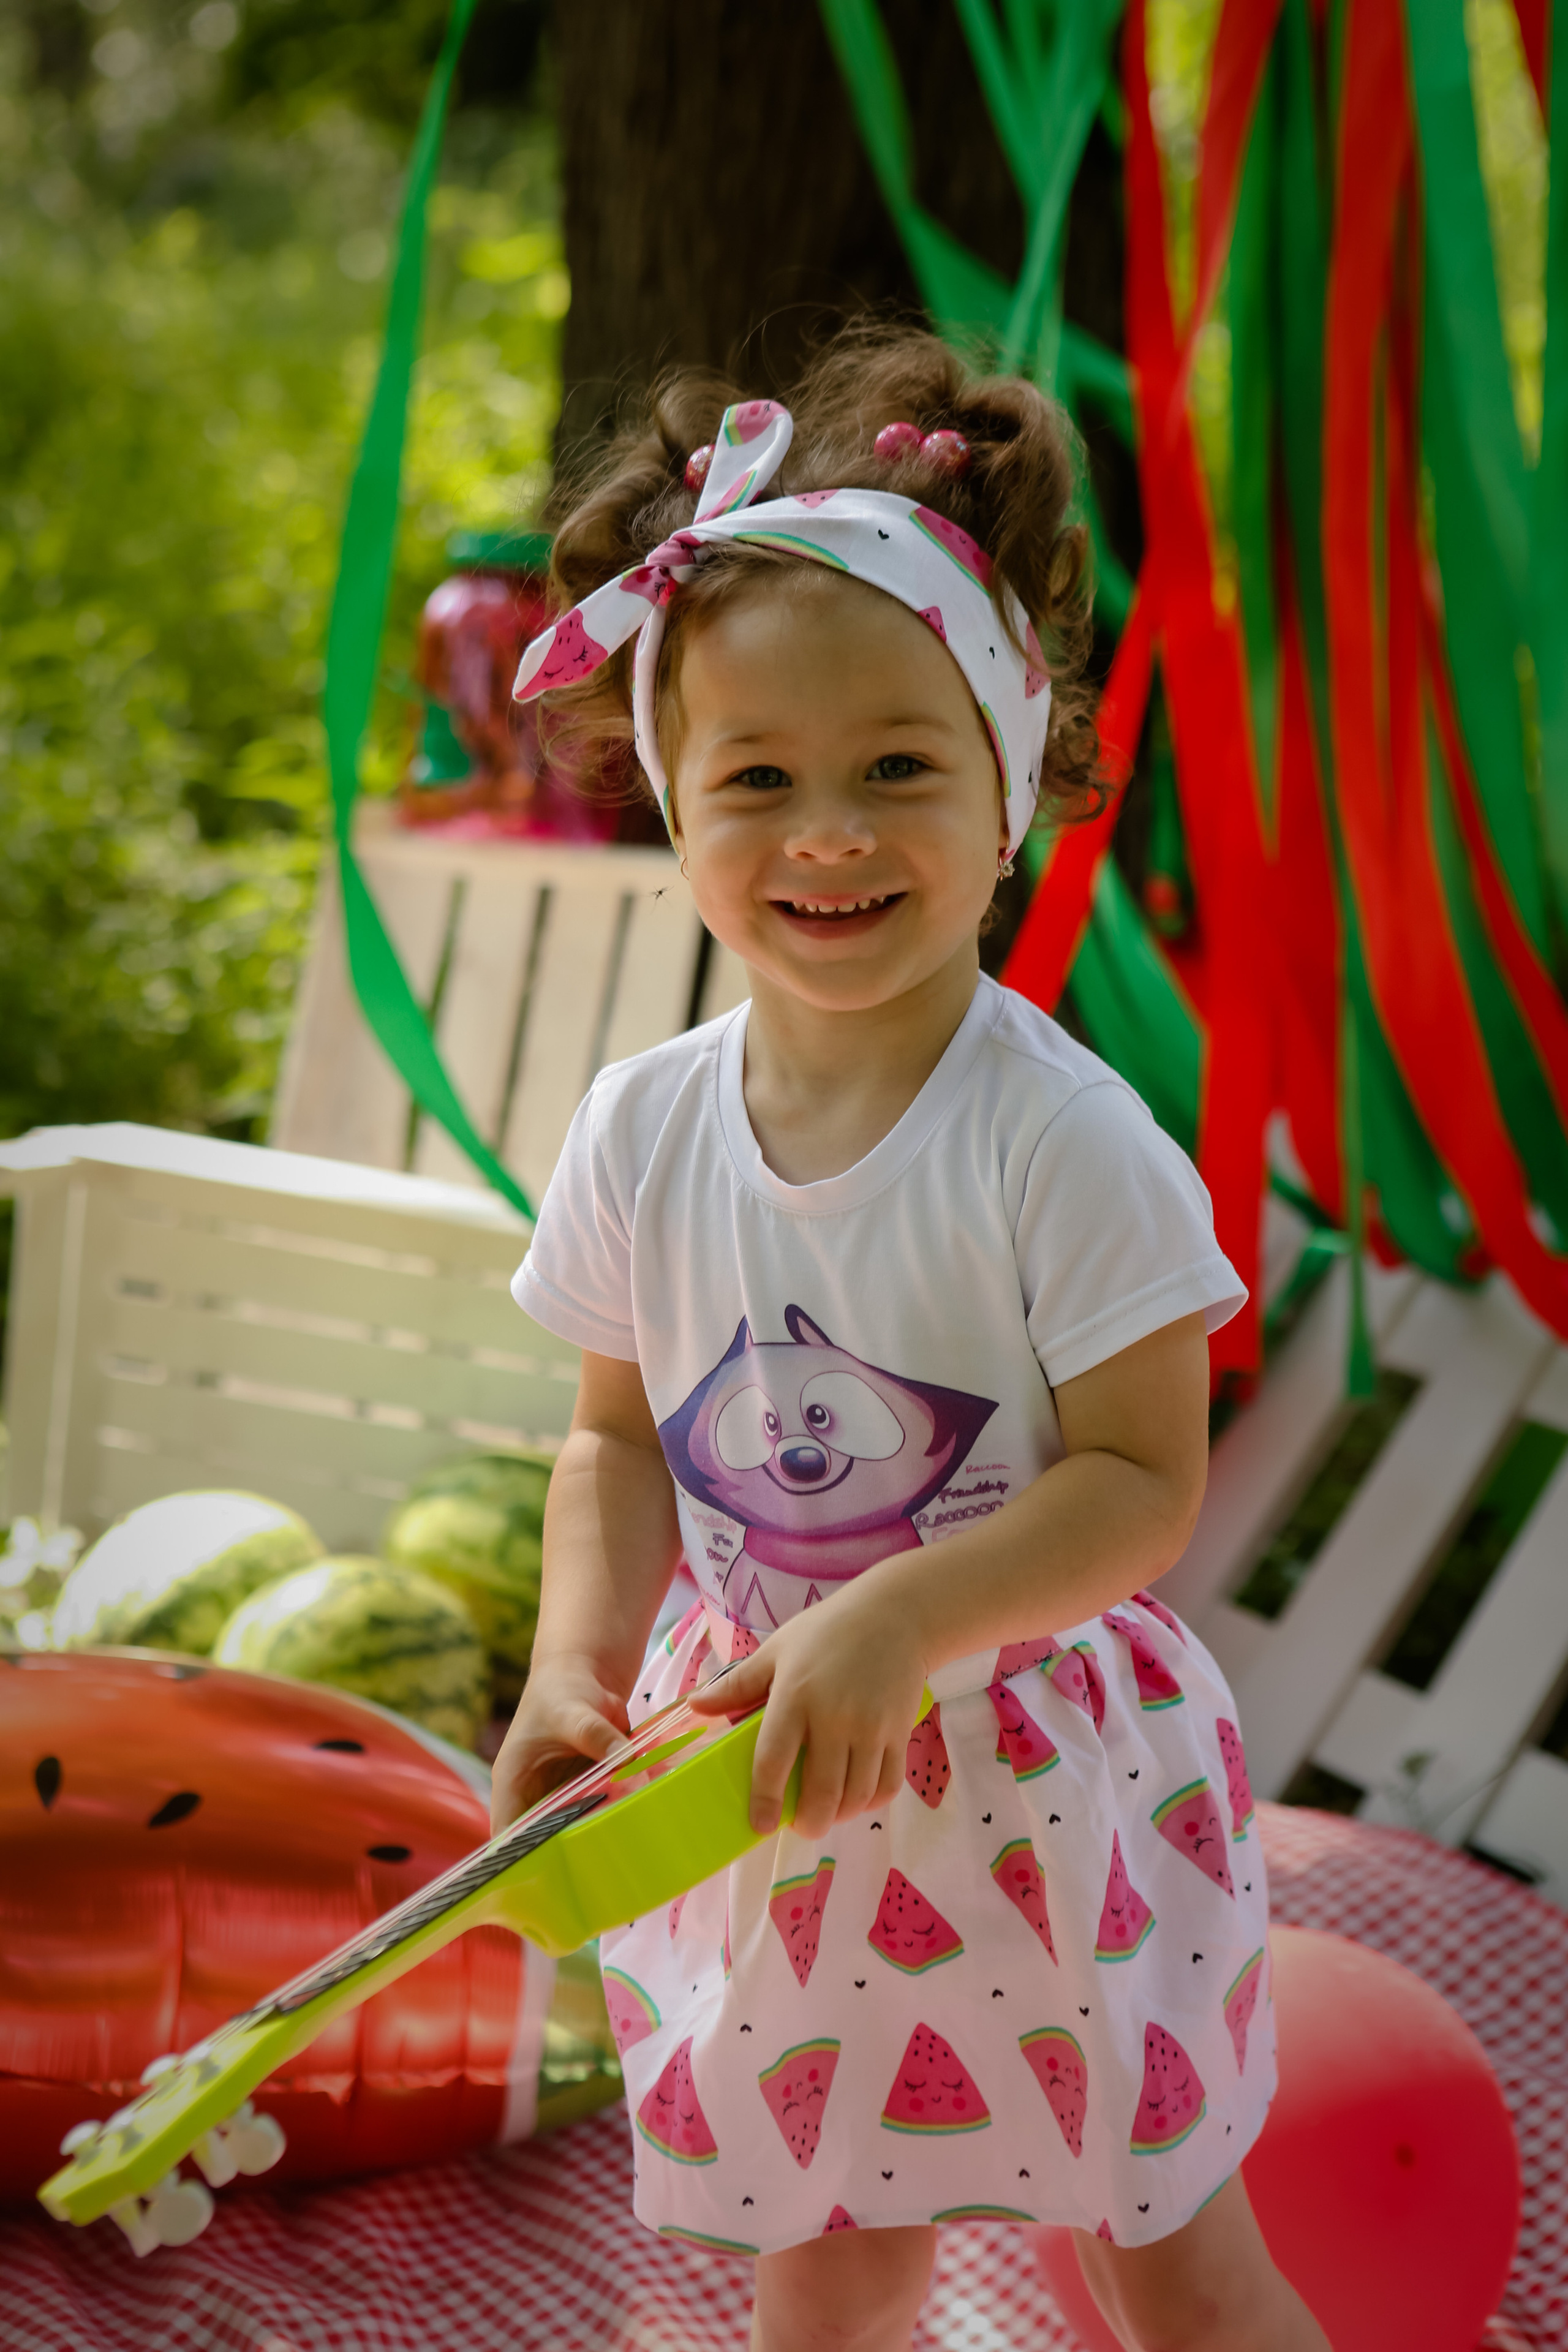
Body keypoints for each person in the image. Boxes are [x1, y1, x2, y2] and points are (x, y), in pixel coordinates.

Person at [491, 324, 1330, 2352]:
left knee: (1165, 2250)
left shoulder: (1061, 1140)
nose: (829, 833)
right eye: (757, 781)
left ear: (1012, 782)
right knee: (831, 2256)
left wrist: (898, 1618)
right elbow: (614, 1441)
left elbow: (1140, 1484)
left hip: (1045, 1787)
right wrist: (574, 1670)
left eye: (898, 767)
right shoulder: (642, 1126)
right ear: (668, 811)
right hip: (772, 1791)